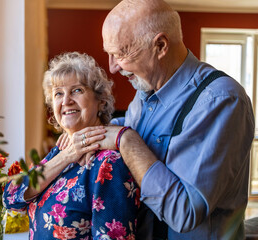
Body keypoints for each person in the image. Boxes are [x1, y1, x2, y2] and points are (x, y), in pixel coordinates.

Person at [79, 0, 254, 239]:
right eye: (109, 54)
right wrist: (89, 134)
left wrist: (127, 142)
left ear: (160, 46)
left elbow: (185, 213)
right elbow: (137, 131)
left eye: (120, 53)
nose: (113, 68)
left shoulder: (220, 100)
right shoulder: (145, 92)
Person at [3, 52, 141, 240]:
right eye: (58, 93)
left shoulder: (109, 163)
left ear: (100, 101)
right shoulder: (62, 150)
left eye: (77, 90)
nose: (66, 101)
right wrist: (67, 155)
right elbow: (11, 198)